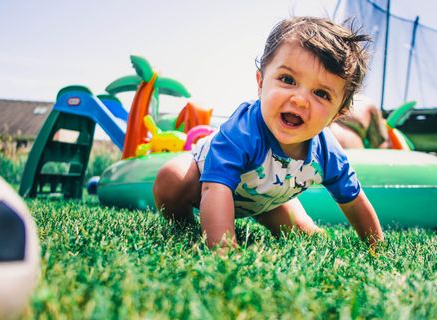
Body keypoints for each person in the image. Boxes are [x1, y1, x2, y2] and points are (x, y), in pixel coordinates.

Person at [153, 16, 384, 251]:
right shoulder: (243, 130)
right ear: (261, 83)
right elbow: (215, 188)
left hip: (267, 199)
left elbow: (354, 201)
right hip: (206, 181)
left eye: (321, 94)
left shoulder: (327, 151)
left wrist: (377, 248)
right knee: (171, 179)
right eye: (288, 80)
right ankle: (184, 224)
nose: (300, 100)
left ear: (337, 115)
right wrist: (223, 250)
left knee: (306, 237)